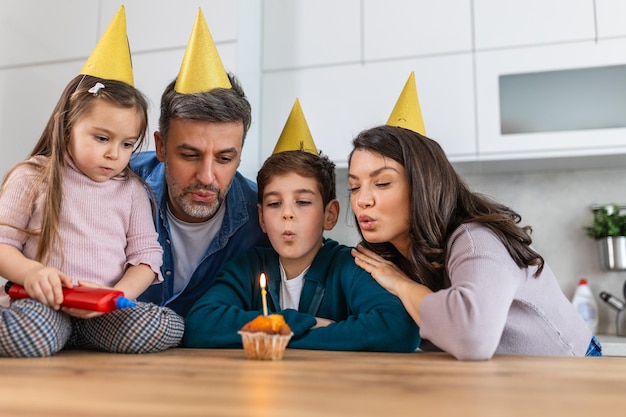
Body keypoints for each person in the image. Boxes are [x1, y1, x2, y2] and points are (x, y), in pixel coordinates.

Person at [348, 73, 602, 360]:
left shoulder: (476, 238)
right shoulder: (391, 258)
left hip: (570, 368)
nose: (361, 200)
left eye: (382, 183)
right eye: (354, 187)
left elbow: (472, 336)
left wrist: (402, 285)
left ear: (424, 185)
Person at [0, 6, 184, 357]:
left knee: (166, 325)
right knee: (31, 338)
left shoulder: (132, 191)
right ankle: (53, 331)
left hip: (101, 308)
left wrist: (120, 296)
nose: (115, 154)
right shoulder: (33, 176)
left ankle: (77, 335)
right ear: (65, 124)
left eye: (127, 144)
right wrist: (33, 273)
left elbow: (146, 258)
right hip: (44, 303)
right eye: (101, 138)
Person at [183, 99, 421, 352]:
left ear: (329, 215)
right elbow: (200, 325)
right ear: (262, 218)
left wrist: (277, 336)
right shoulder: (247, 267)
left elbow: (398, 329)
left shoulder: (351, 267)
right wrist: (300, 324)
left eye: (303, 202)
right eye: (275, 204)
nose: (287, 214)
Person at [131, 9, 268, 318]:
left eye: (224, 158)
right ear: (161, 146)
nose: (207, 177)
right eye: (190, 155)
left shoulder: (263, 217)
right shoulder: (116, 184)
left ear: (240, 154)